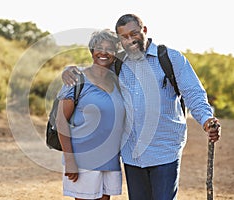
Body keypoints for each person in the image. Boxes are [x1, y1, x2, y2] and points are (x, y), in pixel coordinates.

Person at [61, 14, 221, 200]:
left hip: (164, 151)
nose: (130, 40)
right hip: (131, 153)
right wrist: (71, 69)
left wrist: (206, 119)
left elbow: (193, 93)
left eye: (134, 34)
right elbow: (97, 66)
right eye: (124, 37)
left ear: (144, 31)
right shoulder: (118, 63)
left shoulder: (170, 58)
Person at [55, 29, 125, 200]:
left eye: (110, 49)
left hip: (110, 159)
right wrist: (70, 160)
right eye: (99, 47)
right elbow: (61, 121)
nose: (104, 52)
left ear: (115, 53)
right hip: (83, 159)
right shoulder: (76, 78)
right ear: (92, 51)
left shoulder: (118, 81)